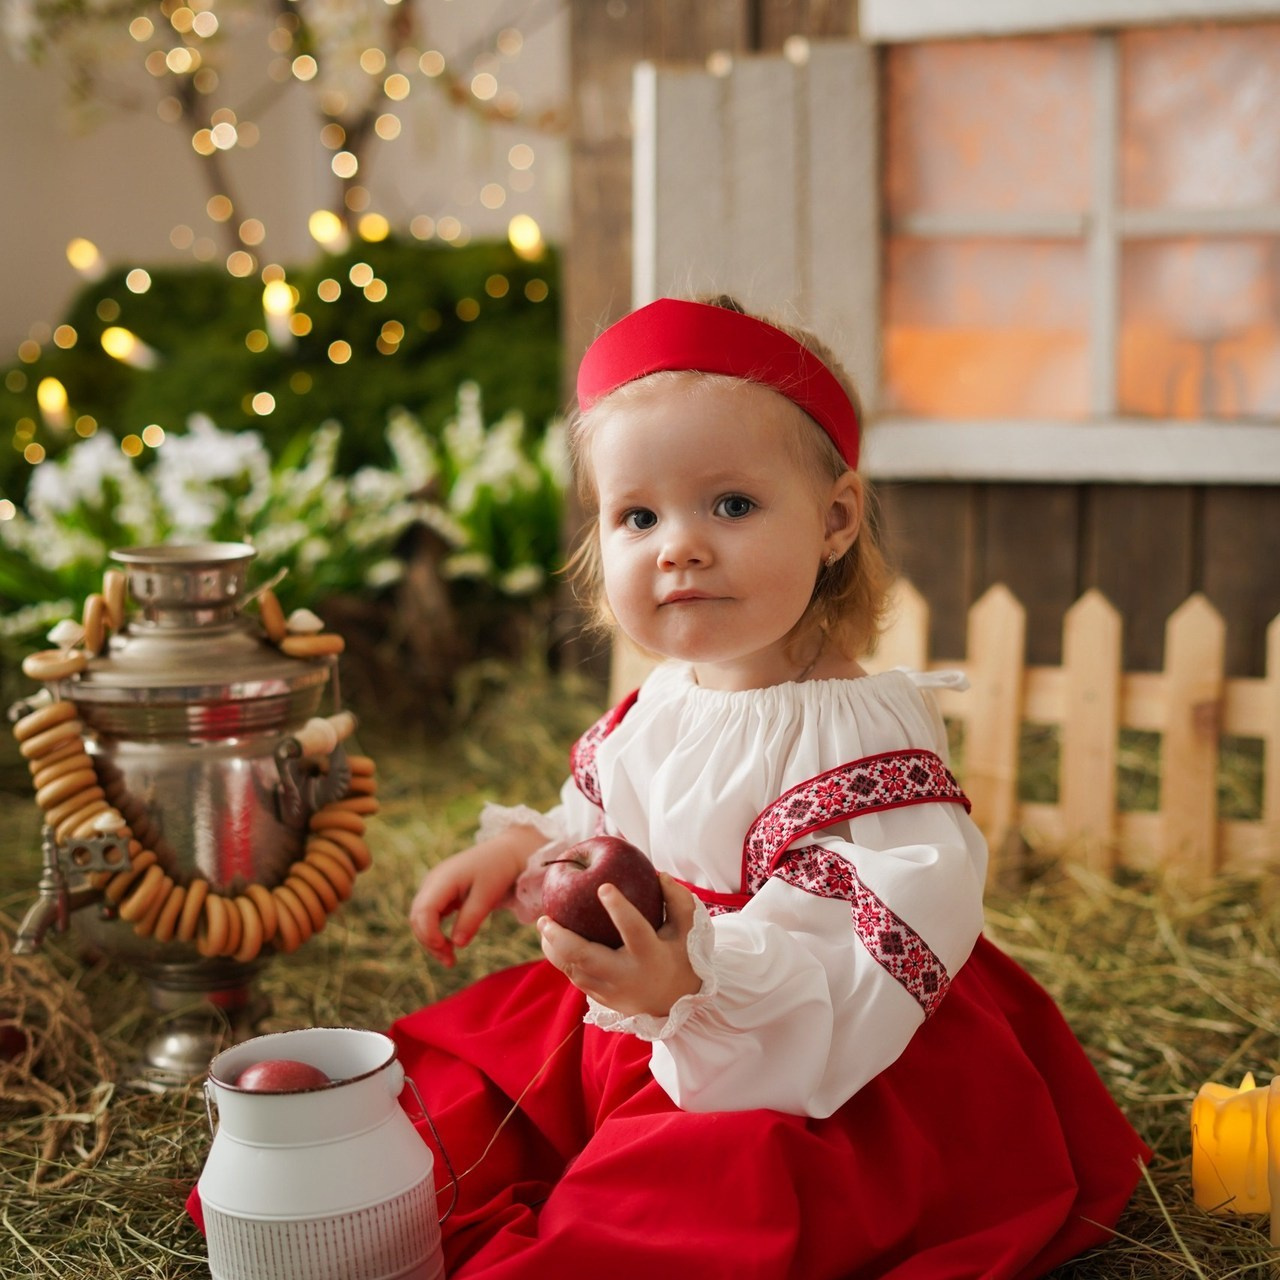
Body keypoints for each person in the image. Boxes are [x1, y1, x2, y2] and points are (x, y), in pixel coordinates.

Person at [391, 295, 1149, 1278]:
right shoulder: (665, 699)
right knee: (458, 1082)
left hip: (817, 1043)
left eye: (731, 505)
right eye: (636, 515)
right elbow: (609, 814)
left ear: (834, 518)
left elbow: (867, 938)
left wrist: (698, 982)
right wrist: (522, 850)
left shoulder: (858, 745)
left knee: (702, 1189)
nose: (678, 545)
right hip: (659, 994)